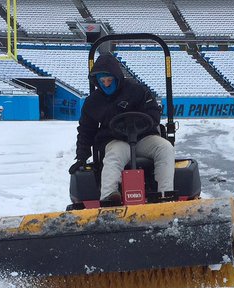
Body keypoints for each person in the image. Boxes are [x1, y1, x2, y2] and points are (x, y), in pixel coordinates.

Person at [69, 53, 175, 203]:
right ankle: (109, 197)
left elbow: (153, 113)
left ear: (117, 77)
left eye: (109, 80)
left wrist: (139, 125)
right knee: (115, 154)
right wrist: (82, 156)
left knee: (165, 148)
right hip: (115, 140)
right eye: (102, 80)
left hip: (143, 137)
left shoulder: (137, 91)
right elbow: (86, 130)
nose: (106, 84)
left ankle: (165, 196)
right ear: (97, 81)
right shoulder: (93, 102)